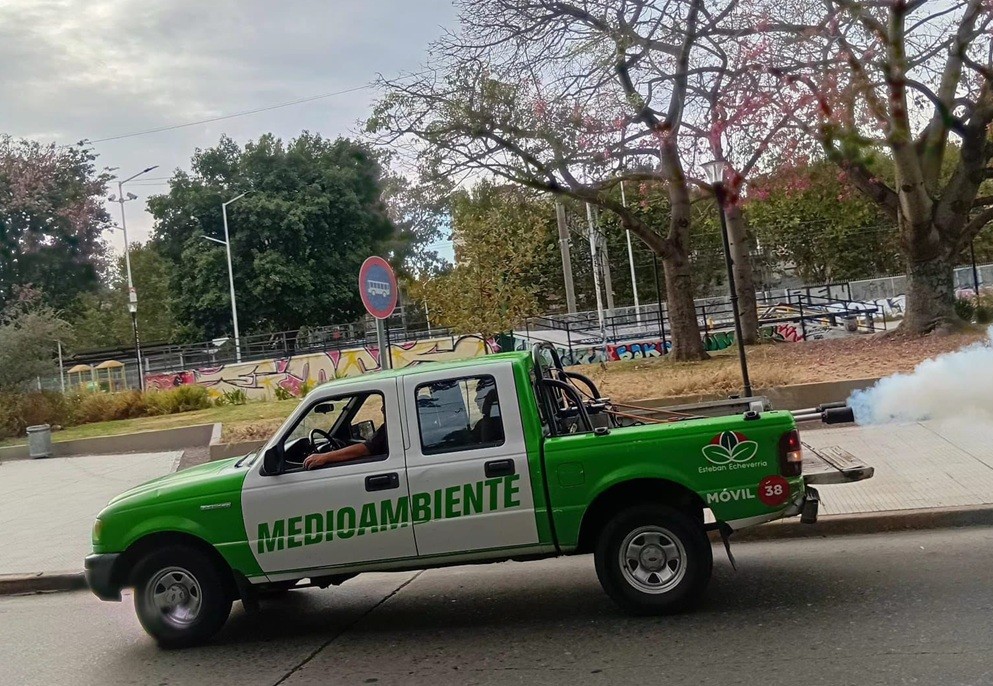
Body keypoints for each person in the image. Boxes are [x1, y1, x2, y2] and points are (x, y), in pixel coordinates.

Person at [303, 420, 387, 470]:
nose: (382, 409)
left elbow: (366, 449)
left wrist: (325, 457)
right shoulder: (392, 425)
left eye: (385, 405)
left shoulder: (389, 426)